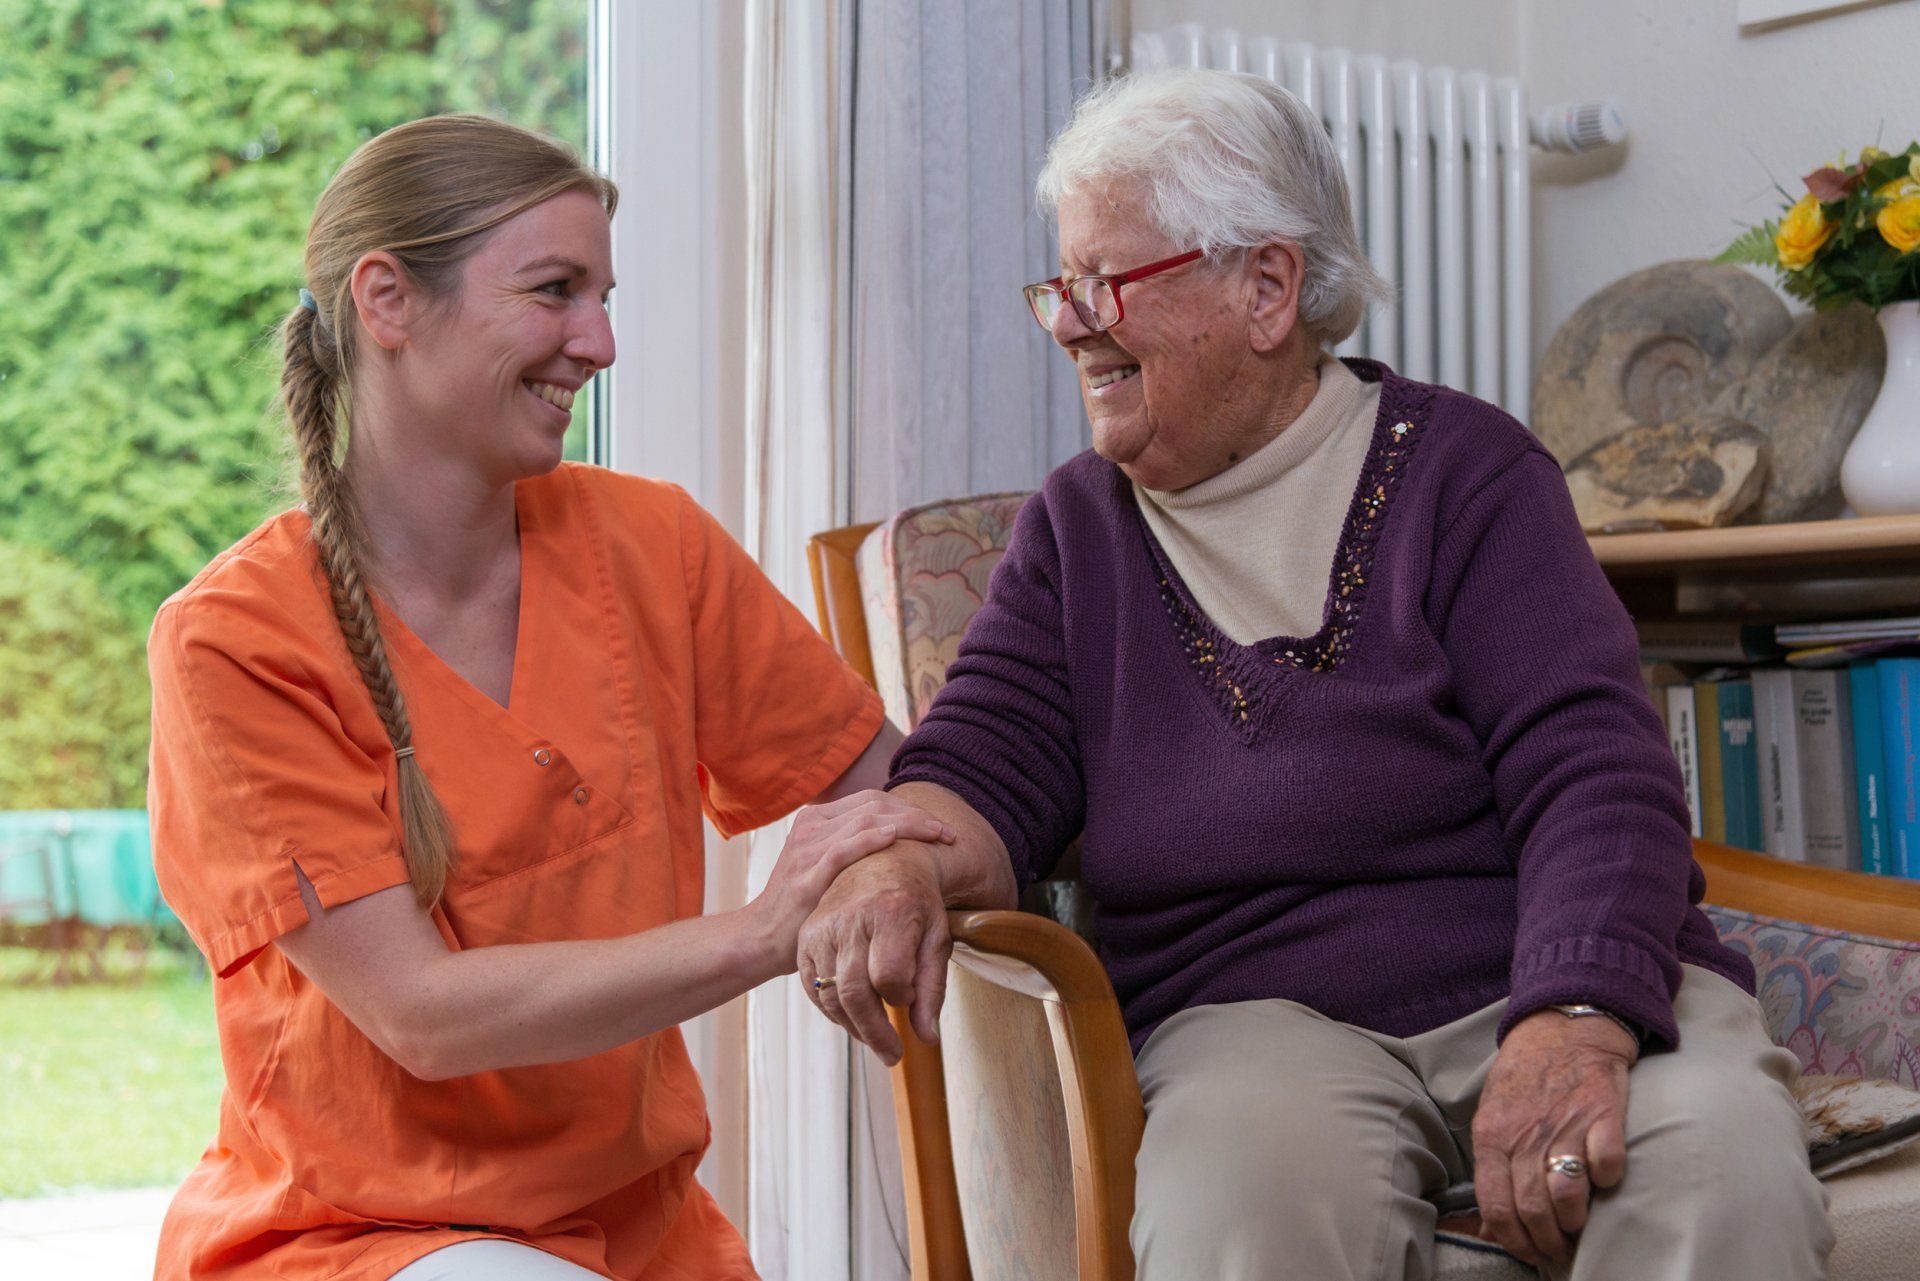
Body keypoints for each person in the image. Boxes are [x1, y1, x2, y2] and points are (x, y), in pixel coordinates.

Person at [793, 69, 1831, 1280]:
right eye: (1061, 285)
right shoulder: (1082, 534)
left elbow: (1595, 773)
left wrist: (1577, 1018)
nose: (1071, 322)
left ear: (1267, 288)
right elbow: (985, 763)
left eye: (1105, 282)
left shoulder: (1469, 477)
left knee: (1718, 1161)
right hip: (1254, 1031)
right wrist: (899, 859)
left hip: (1544, 974)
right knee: (1246, 1200)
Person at [146, 115, 948, 1281]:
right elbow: (424, 1017)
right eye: (555, 291)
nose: (601, 343)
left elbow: (887, 784)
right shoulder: (234, 644)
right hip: (363, 1241)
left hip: (648, 1239)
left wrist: (889, 862)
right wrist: (771, 932)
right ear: (387, 301)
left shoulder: (653, 544)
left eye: (603, 296)